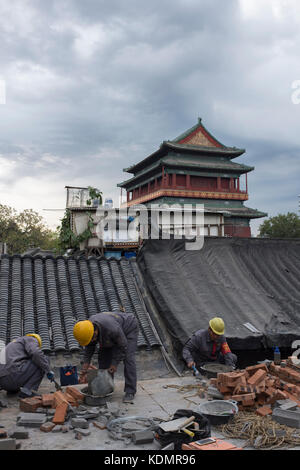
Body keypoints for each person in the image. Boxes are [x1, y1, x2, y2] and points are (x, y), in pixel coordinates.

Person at [73, 311, 139, 404]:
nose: (92, 341)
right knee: (103, 359)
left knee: (128, 358)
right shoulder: (87, 329)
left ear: (95, 332)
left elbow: (122, 346)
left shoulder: (112, 329)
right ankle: (106, 388)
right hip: (110, 333)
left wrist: (114, 364)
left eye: (93, 338)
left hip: (128, 328)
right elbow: (89, 346)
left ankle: (130, 391)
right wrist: (86, 363)